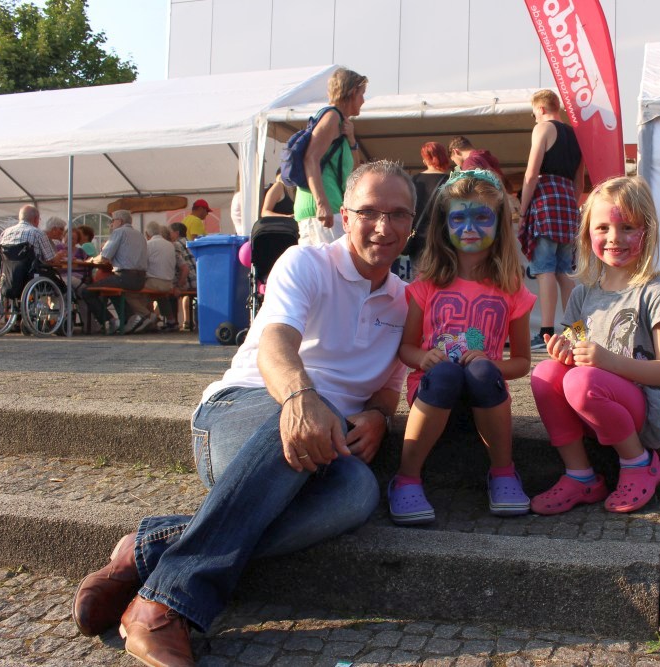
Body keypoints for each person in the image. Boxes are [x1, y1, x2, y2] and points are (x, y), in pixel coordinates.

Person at [70, 161, 415, 666]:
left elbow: (389, 383)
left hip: (325, 443)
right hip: (241, 410)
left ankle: (149, 547)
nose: (383, 226)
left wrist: (380, 416)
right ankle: (165, 602)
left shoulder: (406, 302)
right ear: (344, 216)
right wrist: (299, 398)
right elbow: (276, 343)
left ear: (412, 223)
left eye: (398, 214)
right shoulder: (305, 262)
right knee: (296, 426)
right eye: (369, 212)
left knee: (357, 493)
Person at [529, 176, 660, 516]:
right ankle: (580, 475)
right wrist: (564, 351)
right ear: (588, 235)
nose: (614, 238)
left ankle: (639, 463)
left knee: (581, 380)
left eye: (627, 227)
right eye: (603, 228)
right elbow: (576, 345)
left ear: (647, 230)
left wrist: (606, 361)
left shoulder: (656, 293)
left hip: (646, 413)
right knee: (545, 373)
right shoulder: (581, 295)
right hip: (592, 405)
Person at [388, 169, 535, 525]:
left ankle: (503, 473)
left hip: (484, 395)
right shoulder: (427, 284)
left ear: (499, 224)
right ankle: (406, 478)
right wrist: (423, 357)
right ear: (444, 224)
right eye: (459, 218)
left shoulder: (511, 289)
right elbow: (406, 349)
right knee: (445, 373)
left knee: (481, 369)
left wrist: (492, 364)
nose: (469, 227)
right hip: (433, 393)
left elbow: (521, 362)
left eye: (482, 217)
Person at [518, 89, 585, 350]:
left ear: (541, 108)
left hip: (546, 200)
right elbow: (579, 182)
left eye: (534, 113)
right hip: (568, 202)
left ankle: (545, 332)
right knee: (564, 272)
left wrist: (523, 211)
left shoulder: (543, 128)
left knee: (544, 269)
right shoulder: (576, 135)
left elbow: (531, 173)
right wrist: (571, 203)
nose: (534, 118)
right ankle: (576, 332)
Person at [294, 67, 367, 246]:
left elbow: (355, 170)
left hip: (325, 207)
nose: (363, 101)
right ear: (352, 92)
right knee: (332, 262)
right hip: (322, 208)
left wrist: (351, 140)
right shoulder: (332, 117)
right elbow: (311, 158)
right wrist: (322, 204)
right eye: (362, 94)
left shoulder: (339, 121)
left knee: (326, 262)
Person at [79, 209, 149, 335]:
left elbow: (104, 257)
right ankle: (131, 318)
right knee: (110, 288)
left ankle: (110, 321)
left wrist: (90, 260)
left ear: (120, 221)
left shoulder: (119, 232)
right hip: (140, 279)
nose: (111, 224)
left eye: (112, 221)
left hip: (125, 276)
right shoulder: (140, 235)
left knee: (87, 291)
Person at [404, 141, 453, 265]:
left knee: (418, 275)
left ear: (425, 160)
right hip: (443, 240)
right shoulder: (451, 182)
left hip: (417, 240)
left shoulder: (413, 181)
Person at [143, 221, 184, 332]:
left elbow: (142, 264)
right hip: (169, 284)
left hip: (155, 283)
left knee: (134, 291)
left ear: (147, 234)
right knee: (161, 295)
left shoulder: (148, 245)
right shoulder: (170, 245)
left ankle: (149, 318)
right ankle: (171, 321)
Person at [0, 205, 65, 266]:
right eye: (39, 219)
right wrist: (59, 255)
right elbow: (52, 261)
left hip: (7, 272)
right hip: (31, 272)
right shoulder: (38, 233)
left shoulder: (5, 233)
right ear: (36, 219)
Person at [170, 222, 197, 331]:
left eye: (170, 232)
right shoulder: (190, 242)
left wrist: (178, 285)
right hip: (197, 281)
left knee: (170, 291)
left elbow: (183, 269)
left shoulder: (176, 245)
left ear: (176, 233)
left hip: (189, 282)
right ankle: (186, 322)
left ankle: (173, 322)